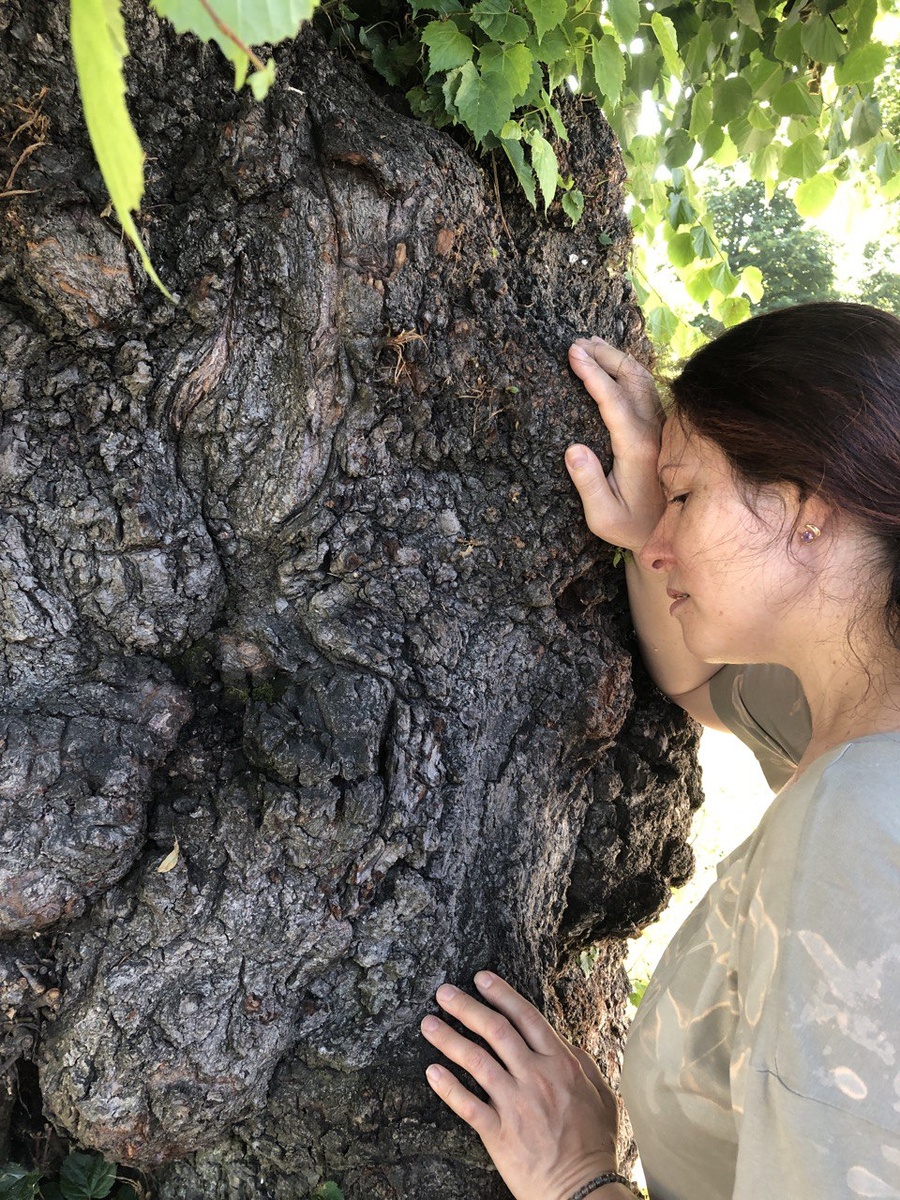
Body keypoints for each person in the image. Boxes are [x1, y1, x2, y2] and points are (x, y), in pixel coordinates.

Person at [419, 302, 900, 1200]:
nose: (661, 529)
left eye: (684, 495)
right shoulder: (852, 711)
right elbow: (702, 689)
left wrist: (575, 1178)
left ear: (806, 511)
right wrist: (658, 539)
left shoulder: (857, 835)